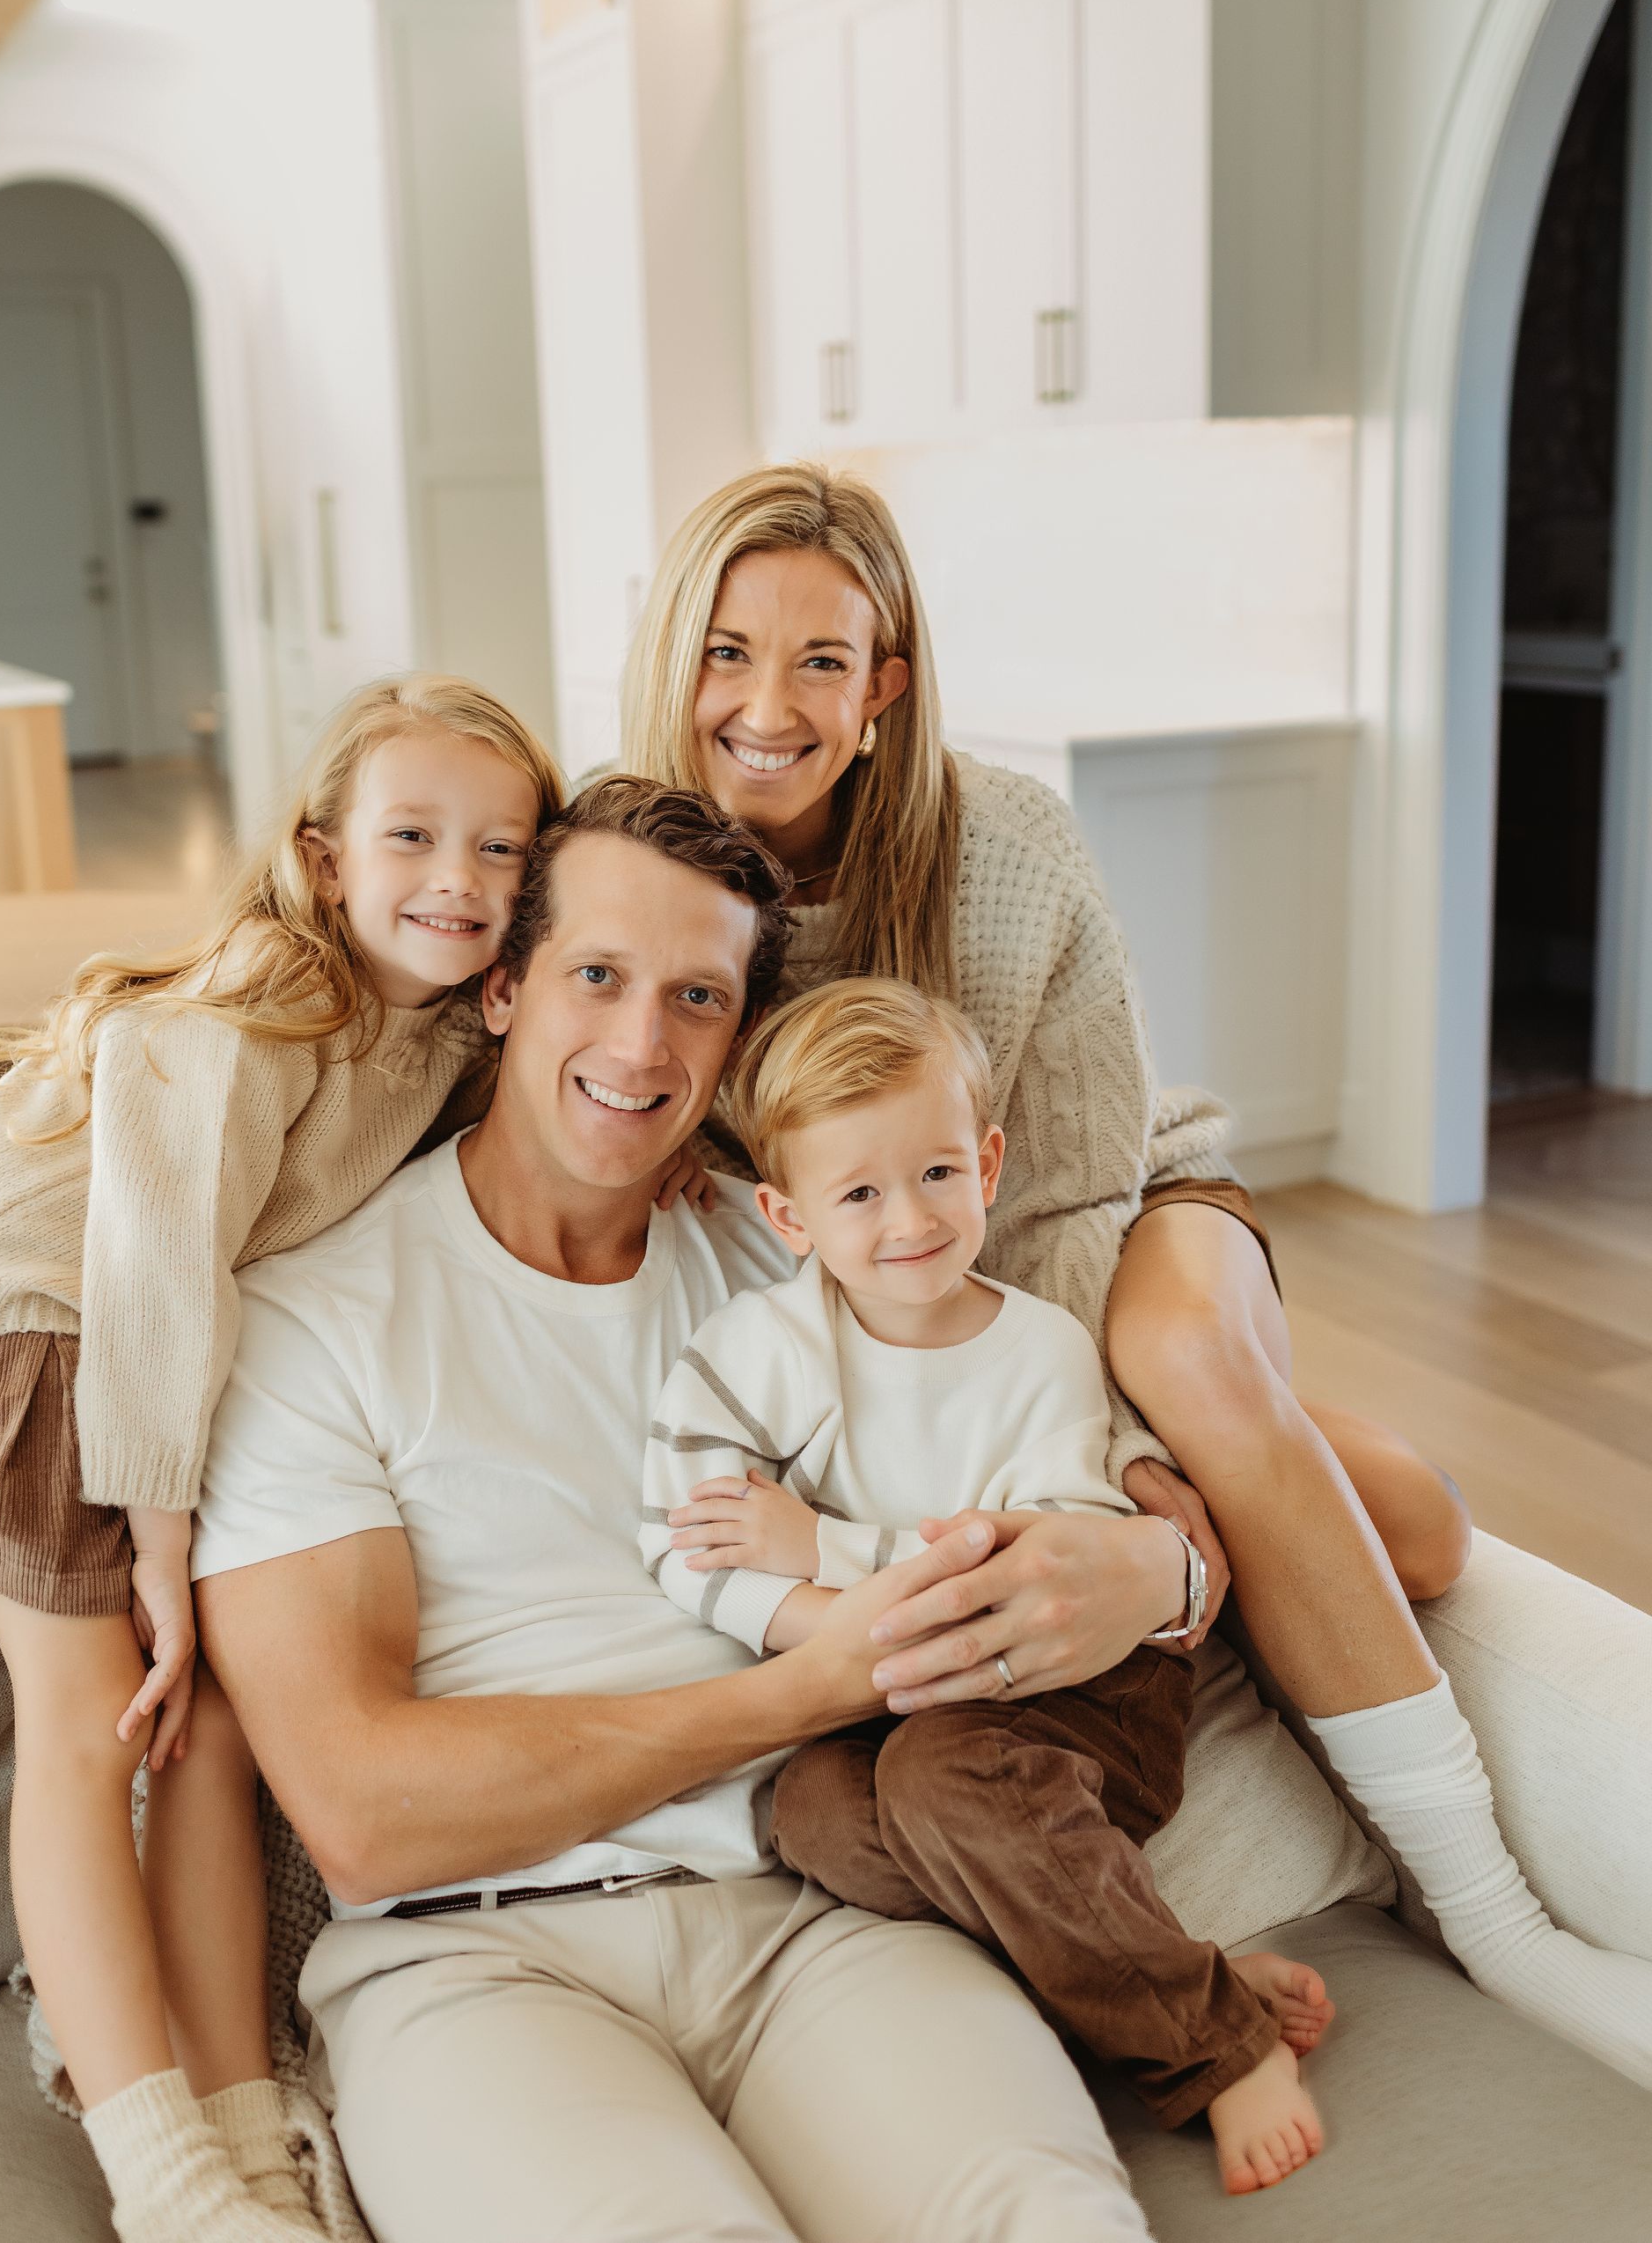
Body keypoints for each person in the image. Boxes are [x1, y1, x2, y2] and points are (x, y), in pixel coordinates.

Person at [620, 463, 1652, 2088]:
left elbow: (1081, 1181)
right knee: (1420, 1528)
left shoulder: (1005, 841)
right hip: (903, 1285)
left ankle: (1494, 1915)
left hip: (1100, 1221)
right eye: (726, 651)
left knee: (1191, 1363)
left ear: (884, 686)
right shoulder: (639, 875)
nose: (768, 704)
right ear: (671, 653)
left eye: (822, 659)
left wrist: (1122, 1496)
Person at [190, 776, 1174, 2243]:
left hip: (819, 1913)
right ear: (505, 985)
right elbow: (365, 1812)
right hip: (475, 1964)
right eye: (598, 975)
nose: (643, 1046)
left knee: (1053, 2220)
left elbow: (1043, 1394)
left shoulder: (806, 1259)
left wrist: (1164, 1558)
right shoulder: (318, 1316)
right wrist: (814, 1681)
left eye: (698, 998)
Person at [0, 675, 565, 2242]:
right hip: (39, 1328)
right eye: (415, 836)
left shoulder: (433, 1033)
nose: (460, 878)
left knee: (208, 1729)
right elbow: (158, 1245)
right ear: (323, 853)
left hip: (128, 1359)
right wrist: (158, 1535)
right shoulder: (268, 996)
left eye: (503, 849)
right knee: (91, 1731)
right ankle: (159, 2171)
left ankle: (239, 2115)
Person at [642, 975, 1333, 2195]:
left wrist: (824, 1551)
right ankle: (1178, 1972)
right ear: (789, 1215)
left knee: (943, 1775)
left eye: (936, 1174)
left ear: (990, 1161)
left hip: (1081, 1685)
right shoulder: (759, 1349)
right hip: (886, 1693)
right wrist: (825, 1627)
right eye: (857, 1193)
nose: (907, 1219)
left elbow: (1028, 1572)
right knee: (812, 1815)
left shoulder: (1038, 1347)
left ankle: (1217, 2051)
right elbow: (685, 1541)